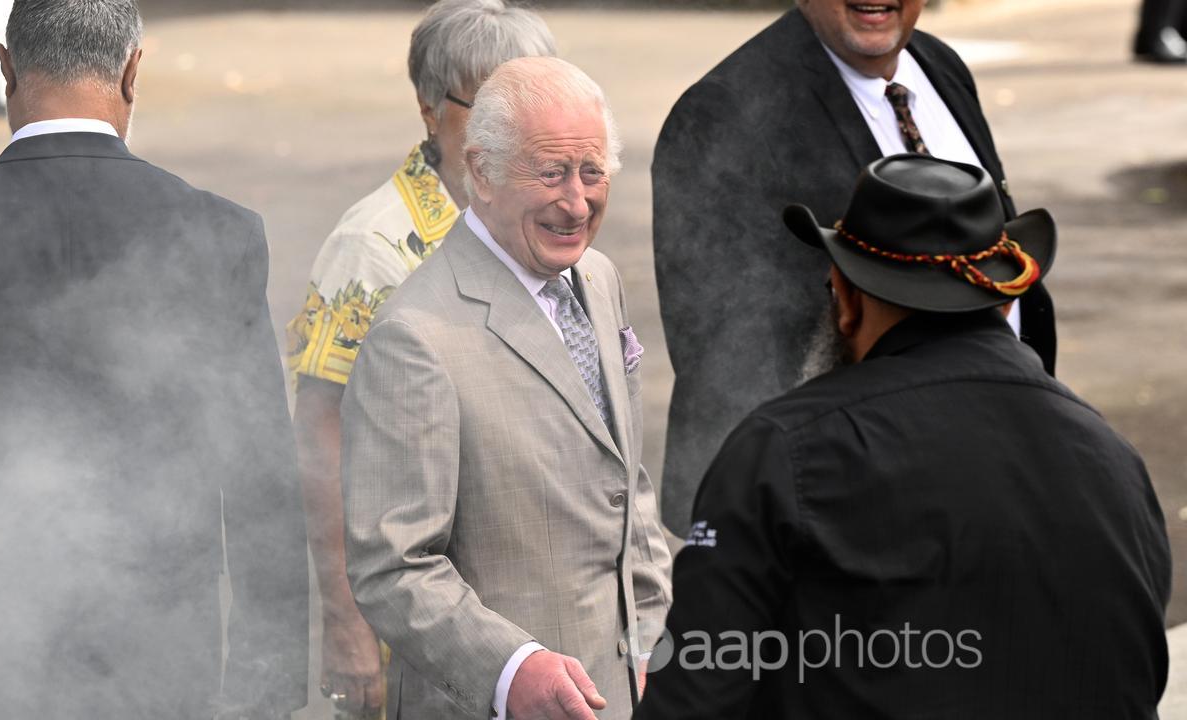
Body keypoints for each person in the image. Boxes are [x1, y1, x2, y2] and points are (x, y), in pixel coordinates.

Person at [634, 155, 1171, 719]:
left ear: (845, 296)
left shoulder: (784, 449)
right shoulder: (1113, 458)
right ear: (1004, 296)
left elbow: (693, 702)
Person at [0, 1, 308, 718]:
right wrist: (265, 692)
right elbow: (261, 487)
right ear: (131, 72)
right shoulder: (218, 235)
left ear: (5, 68)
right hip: (159, 671)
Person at [340, 56, 672, 720]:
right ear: (483, 172)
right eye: (549, 173)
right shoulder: (415, 337)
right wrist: (510, 670)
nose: (576, 202)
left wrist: (647, 631)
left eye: (592, 172)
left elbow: (622, 479)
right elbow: (393, 567)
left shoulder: (599, 278)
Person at [652, 0, 1058, 538]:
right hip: (850, 511)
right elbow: (723, 367)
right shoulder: (720, 114)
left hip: (997, 463)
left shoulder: (940, 66)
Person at [284, 1, 556, 716]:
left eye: (530, 105)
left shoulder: (542, 221)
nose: (513, 133)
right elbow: (320, 435)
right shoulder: (373, 246)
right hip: (419, 622)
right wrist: (345, 623)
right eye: (490, 108)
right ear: (430, 110)